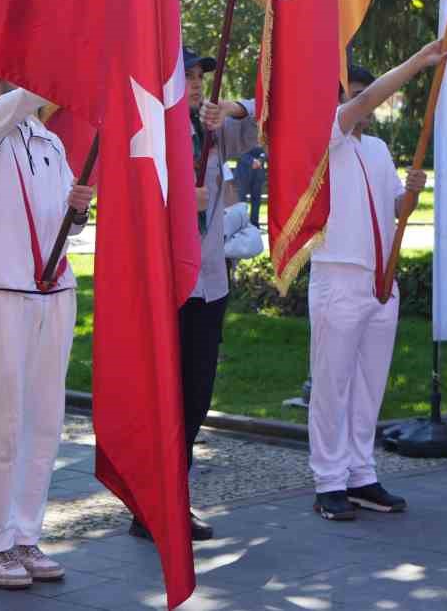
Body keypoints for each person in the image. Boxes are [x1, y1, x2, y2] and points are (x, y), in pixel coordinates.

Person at [0, 75, 93, 591]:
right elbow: (20, 101)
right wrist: (61, 68)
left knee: (44, 422)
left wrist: (78, 209)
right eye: (10, 70)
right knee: (2, 423)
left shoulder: (52, 141)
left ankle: (25, 533)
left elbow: (65, 222)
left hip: (54, 291)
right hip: (4, 289)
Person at [309, 46, 447, 521]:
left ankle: (360, 474)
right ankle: (328, 480)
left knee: (369, 385)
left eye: (366, 93)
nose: (366, 103)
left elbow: (397, 212)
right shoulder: (327, 136)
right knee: (332, 384)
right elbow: (361, 108)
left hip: (380, 281)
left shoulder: (379, 148)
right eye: (356, 95)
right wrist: (417, 63)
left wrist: (411, 193)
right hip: (339, 274)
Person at [130, 47, 257, 544]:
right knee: (164, 394)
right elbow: (134, 201)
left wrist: (233, 109)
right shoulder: (151, 132)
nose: (200, 83)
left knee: (197, 393)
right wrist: (182, 196)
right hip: (168, 282)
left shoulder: (212, 129)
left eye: (203, 76)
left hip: (209, 281)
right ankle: (149, 503)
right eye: (190, 76)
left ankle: (174, 494)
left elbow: (267, 117)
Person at [232, 145, 266, 228]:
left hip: (258, 168)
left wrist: (260, 160)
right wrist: (252, 161)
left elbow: (267, 148)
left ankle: (254, 225)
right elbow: (236, 147)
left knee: (256, 200)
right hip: (243, 168)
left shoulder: (262, 133)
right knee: (241, 200)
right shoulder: (240, 132)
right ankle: (241, 225)